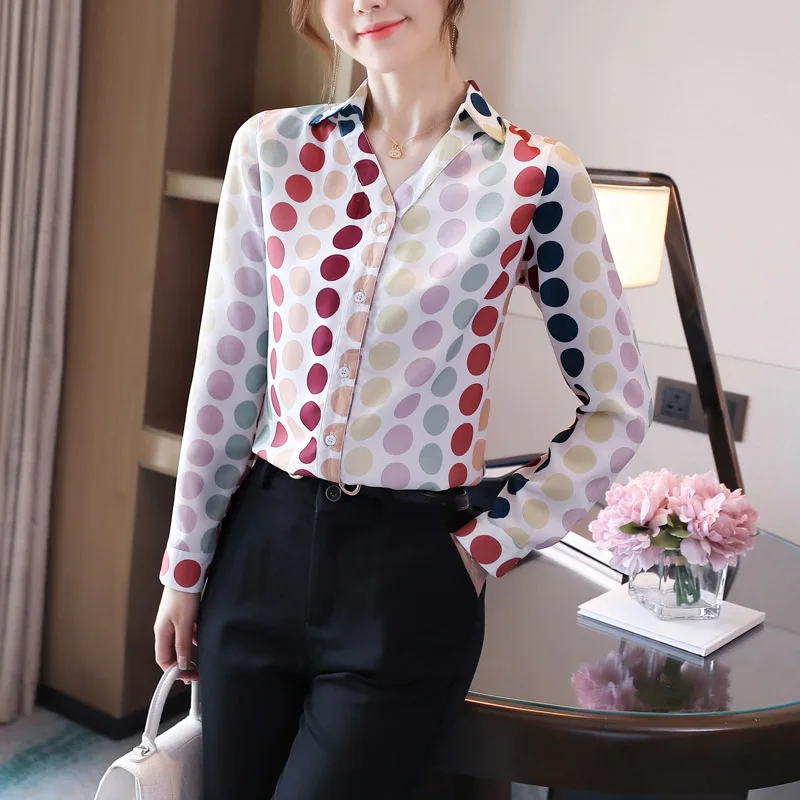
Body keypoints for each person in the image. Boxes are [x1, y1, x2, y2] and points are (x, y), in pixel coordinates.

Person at [153, 0, 653, 797]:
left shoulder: (536, 176)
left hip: (410, 576)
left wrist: (487, 545)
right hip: (258, 553)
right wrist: (185, 567)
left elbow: (618, 404)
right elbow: (227, 376)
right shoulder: (272, 150)